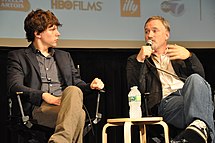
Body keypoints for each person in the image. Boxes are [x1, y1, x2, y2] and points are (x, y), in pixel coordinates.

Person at [7, 9, 104, 143]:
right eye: (52, 30)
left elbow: (76, 83)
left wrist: (91, 86)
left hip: (66, 104)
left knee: (73, 91)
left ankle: (59, 140)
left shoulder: (64, 56)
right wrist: (43, 95)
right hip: (40, 108)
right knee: (79, 115)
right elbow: (14, 86)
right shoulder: (18, 57)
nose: (58, 34)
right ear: (37, 33)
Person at [126, 16, 214, 143]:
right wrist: (140, 61)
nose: (149, 35)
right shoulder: (137, 60)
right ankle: (200, 131)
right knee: (204, 109)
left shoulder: (179, 55)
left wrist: (189, 57)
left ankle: (191, 135)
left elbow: (201, 81)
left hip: (188, 95)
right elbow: (134, 88)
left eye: (154, 30)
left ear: (166, 35)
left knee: (195, 80)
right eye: (146, 31)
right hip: (166, 103)